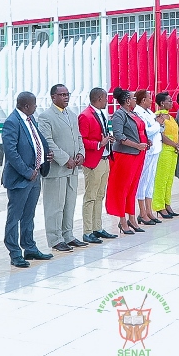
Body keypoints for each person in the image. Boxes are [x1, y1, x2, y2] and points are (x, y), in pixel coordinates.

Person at [1, 92, 55, 268]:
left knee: (28, 215)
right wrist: (26, 172)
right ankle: (14, 252)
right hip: (21, 178)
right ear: (26, 106)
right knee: (14, 217)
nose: (36, 107)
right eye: (34, 104)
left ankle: (29, 247)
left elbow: (37, 142)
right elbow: (11, 152)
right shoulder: (12, 122)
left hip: (35, 175)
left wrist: (46, 155)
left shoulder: (30, 120)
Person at [37, 83, 87, 253]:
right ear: (53, 97)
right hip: (57, 169)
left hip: (73, 169)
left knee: (69, 204)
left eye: (67, 94)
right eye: (62, 94)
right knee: (55, 206)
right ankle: (55, 238)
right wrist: (66, 159)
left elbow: (78, 137)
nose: (66, 97)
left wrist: (81, 154)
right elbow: (48, 142)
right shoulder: (45, 117)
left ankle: (68, 235)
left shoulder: (72, 115)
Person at [106, 87, 149, 234]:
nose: (135, 100)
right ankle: (122, 220)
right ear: (126, 100)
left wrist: (145, 142)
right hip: (125, 155)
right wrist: (137, 144)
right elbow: (119, 136)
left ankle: (132, 218)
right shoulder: (119, 114)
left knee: (132, 187)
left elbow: (140, 130)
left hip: (138, 154)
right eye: (133, 98)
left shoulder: (133, 113)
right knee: (122, 188)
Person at [78, 87, 116, 243]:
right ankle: (87, 231)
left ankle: (97, 227)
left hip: (105, 158)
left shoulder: (101, 114)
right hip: (94, 161)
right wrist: (99, 144)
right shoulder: (85, 116)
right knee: (90, 196)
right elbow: (83, 140)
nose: (108, 101)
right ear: (99, 98)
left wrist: (108, 140)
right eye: (106, 98)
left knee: (100, 195)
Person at [133, 89, 165, 226]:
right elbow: (146, 131)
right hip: (147, 150)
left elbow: (158, 129)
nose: (152, 100)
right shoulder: (139, 113)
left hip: (155, 149)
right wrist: (158, 124)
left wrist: (160, 124)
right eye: (149, 98)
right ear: (143, 100)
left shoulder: (150, 113)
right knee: (143, 181)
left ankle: (149, 210)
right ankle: (142, 212)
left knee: (151, 180)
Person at [152, 92, 179, 220]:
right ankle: (159, 205)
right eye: (169, 100)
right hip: (164, 150)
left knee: (169, 179)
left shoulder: (171, 117)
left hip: (173, 150)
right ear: (162, 103)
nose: (171, 102)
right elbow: (161, 135)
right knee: (161, 179)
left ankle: (167, 203)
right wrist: (174, 144)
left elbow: (176, 132)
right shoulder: (159, 116)